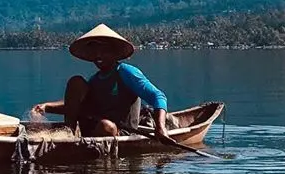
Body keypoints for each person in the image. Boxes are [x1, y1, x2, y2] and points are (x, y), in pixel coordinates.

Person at [29, 23, 175, 142]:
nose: (98, 56)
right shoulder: (95, 80)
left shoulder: (126, 72)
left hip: (120, 132)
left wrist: (160, 128)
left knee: (106, 126)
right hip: (93, 128)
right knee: (76, 82)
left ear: (114, 52)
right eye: (94, 52)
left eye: (103, 51)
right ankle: (70, 135)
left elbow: (158, 97)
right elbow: (74, 105)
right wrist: (47, 107)